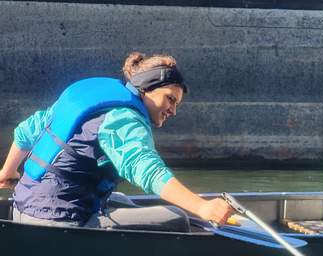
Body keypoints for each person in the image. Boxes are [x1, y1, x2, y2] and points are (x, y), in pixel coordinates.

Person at [0, 52, 233, 230]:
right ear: (147, 88)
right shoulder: (124, 118)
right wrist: (202, 206)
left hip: (22, 207)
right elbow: (146, 169)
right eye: (170, 99)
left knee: (122, 200)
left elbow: (27, 130)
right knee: (178, 217)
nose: (173, 111)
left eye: (176, 104)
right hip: (58, 221)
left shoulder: (90, 95)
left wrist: (7, 172)